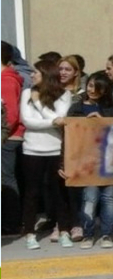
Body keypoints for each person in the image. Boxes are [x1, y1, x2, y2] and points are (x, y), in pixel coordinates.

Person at [19, 59, 74, 249]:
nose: (31, 75)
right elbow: (28, 121)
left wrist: (38, 104)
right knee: (32, 193)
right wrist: (52, 120)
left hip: (54, 149)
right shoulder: (27, 92)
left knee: (59, 192)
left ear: (46, 74)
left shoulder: (64, 95)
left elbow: (62, 118)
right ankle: (29, 233)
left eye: (35, 72)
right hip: (32, 149)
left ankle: (65, 230)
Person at [68, 71, 113, 247]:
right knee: (89, 198)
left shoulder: (112, 108)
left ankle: (106, 234)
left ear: (105, 91)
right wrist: (64, 162)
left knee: (109, 198)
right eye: (90, 85)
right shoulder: (77, 107)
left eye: (97, 88)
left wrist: (102, 120)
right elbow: (68, 136)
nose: (92, 90)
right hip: (86, 161)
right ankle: (88, 234)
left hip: (108, 161)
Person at [2, 41, 25, 235]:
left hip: (8, 138)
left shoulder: (6, 80)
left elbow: (10, 115)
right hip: (6, 136)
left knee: (6, 179)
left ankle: (11, 222)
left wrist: (2, 135)